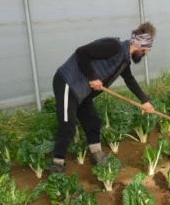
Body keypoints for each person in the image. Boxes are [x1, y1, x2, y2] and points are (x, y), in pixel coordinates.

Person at [50, 22, 157, 174]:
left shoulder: (124, 61)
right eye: (147, 50)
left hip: (83, 90)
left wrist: (145, 101)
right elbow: (81, 52)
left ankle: (97, 154)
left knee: (93, 120)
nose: (147, 54)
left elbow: (130, 80)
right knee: (67, 126)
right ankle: (57, 163)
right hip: (68, 82)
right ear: (140, 45)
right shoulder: (114, 46)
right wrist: (93, 77)